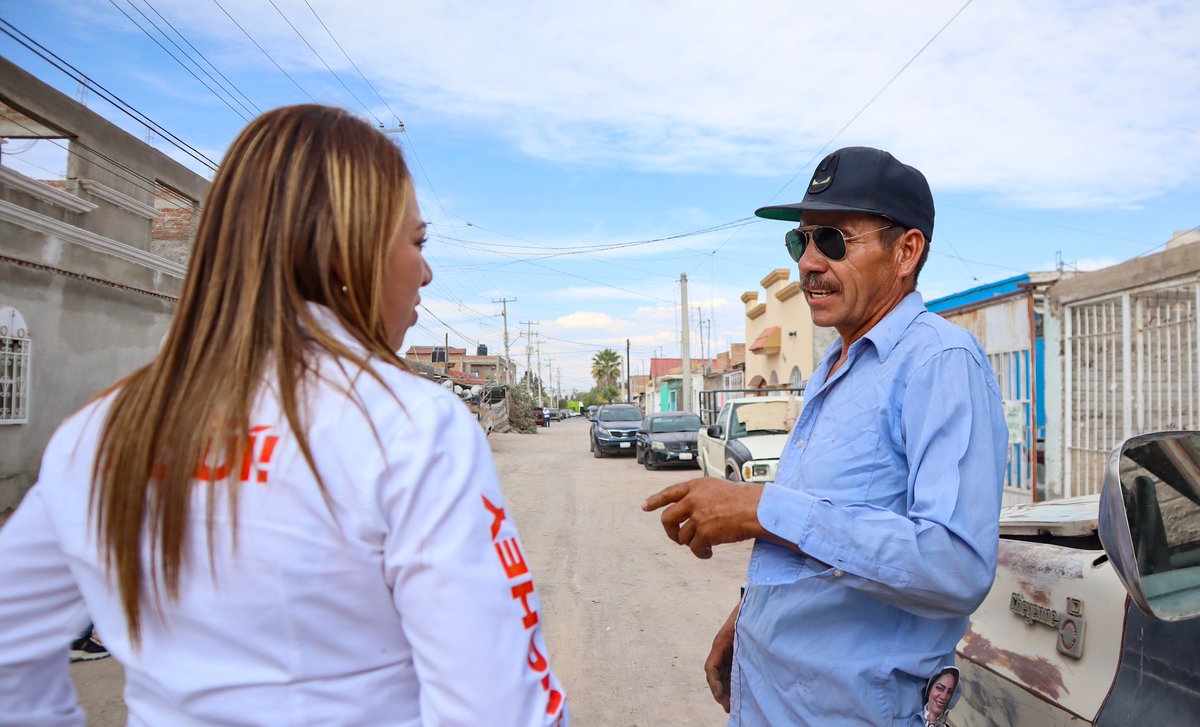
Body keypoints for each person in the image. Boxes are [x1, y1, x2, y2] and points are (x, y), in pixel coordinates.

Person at [0, 105, 566, 726]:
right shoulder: (408, 423)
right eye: (417, 241)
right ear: (345, 251)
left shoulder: (102, 428)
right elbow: (501, 709)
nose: (425, 272)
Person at [643, 146, 1005, 725]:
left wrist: (762, 510)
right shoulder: (834, 367)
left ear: (906, 251)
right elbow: (824, 540)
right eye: (800, 242)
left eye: (833, 240)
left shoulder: (939, 362)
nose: (808, 263)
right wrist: (750, 616)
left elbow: (955, 566)